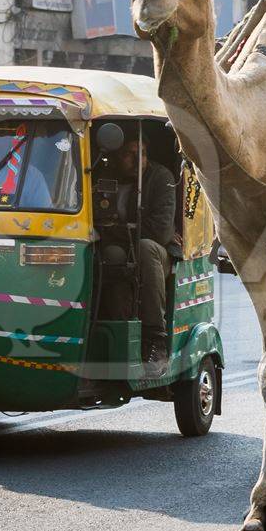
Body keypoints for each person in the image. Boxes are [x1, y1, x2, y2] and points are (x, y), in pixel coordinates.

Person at [101, 137, 179, 378]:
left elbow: (161, 231)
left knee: (145, 248)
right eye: (129, 154)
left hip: (158, 254)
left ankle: (157, 339)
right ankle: (117, 336)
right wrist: (116, 230)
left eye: (142, 154)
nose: (138, 161)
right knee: (110, 254)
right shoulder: (104, 176)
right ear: (116, 156)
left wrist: (115, 228)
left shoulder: (161, 178)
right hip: (120, 247)